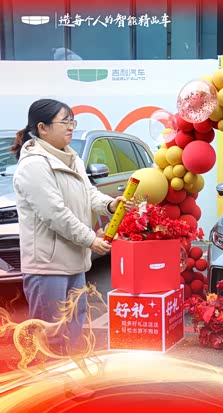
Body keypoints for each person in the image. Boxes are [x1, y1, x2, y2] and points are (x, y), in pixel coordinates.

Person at [11, 99, 131, 357]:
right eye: (64, 122)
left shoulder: (70, 157)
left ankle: (71, 377)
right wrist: (91, 240)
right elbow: (55, 214)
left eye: (72, 121)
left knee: (75, 330)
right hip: (48, 266)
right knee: (50, 337)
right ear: (42, 128)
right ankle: (49, 381)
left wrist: (110, 205)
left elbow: (88, 193)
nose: (70, 127)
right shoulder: (34, 165)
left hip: (74, 262)